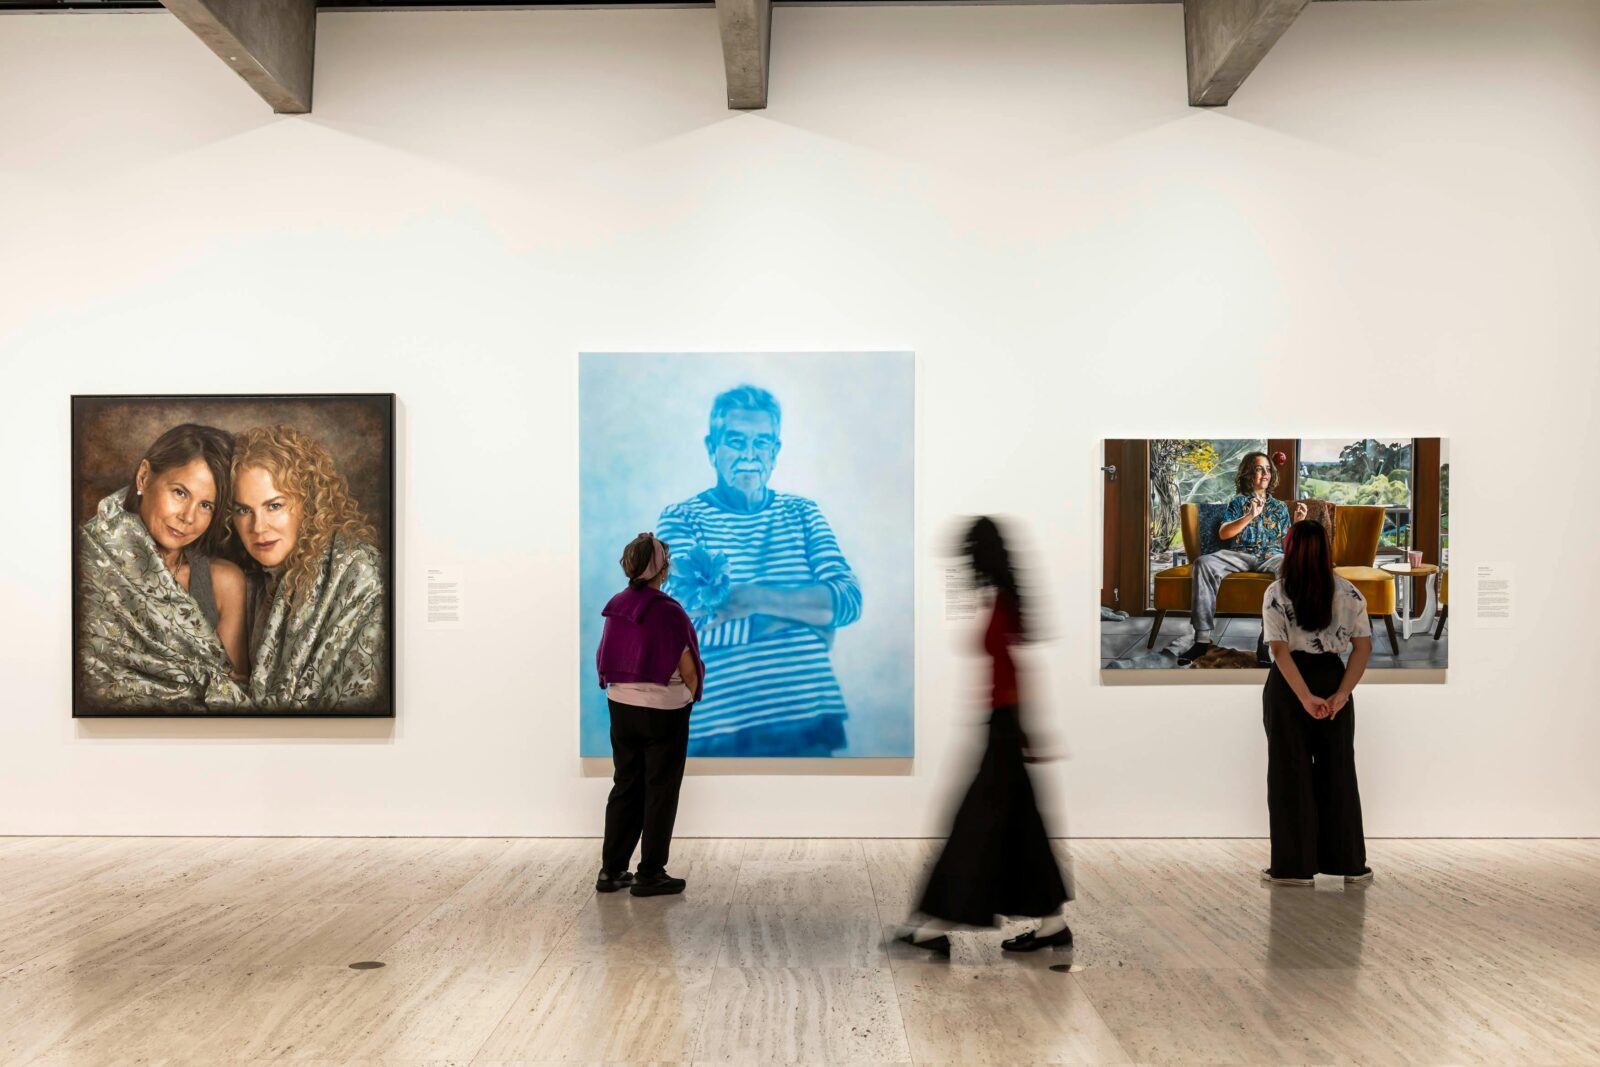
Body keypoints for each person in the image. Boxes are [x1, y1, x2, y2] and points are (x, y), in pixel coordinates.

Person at [656, 385, 862, 756]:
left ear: (775, 451)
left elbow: (847, 600)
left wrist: (751, 599)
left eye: (762, 443)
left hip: (810, 717)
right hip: (721, 725)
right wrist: (810, 618)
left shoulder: (803, 513)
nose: (750, 456)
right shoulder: (682, 519)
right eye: (736, 442)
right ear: (711, 448)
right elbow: (685, 627)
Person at [900, 517, 1072, 957]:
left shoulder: (1004, 602)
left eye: (967, 555)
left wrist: (1027, 728)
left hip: (1004, 728)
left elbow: (1017, 668)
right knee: (1022, 828)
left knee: (976, 829)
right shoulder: (1001, 598)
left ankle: (933, 926)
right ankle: (1052, 924)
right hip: (1002, 725)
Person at [77, 424, 250, 711]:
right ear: (144, 477)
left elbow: (232, 697)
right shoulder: (87, 559)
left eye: (206, 505)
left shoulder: (225, 582)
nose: (188, 517)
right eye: (180, 492)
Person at [230, 425, 386, 712]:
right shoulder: (253, 581)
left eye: (274, 506)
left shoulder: (356, 570)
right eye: (243, 510)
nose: (258, 528)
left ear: (309, 502)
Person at [1259, 519, 1373, 886]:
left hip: (1290, 686)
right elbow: (1363, 647)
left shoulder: (1277, 592)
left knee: (1288, 772)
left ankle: (1293, 869)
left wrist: (1304, 696)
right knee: (1338, 770)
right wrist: (1341, 693)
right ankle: (1350, 865)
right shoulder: (1349, 592)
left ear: (1289, 549)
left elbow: (1278, 651)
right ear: (1327, 550)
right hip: (1332, 676)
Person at [595, 533, 704, 897]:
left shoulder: (616, 605)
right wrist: (689, 695)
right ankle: (650, 873)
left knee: (626, 784)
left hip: (621, 706)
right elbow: (687, 666)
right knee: (660, 789)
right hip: (663, 712)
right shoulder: (669, 610)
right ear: (662, 569)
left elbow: (606, 657)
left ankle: (611, 872)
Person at [1180, 451, 1309, 666]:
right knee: (1203, 563)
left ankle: (1266, 640)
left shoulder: (1279, 508)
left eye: (1268, 469)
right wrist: (1249, 515)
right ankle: (1201, 640)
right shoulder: (1238, 502)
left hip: (1272, 555)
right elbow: (1224, 534)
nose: (1265, 473)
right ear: (1249, 473)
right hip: (1240, 554)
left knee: (1291, 565)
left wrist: (1298, 523)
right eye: (1259, 468)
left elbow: (1288, 544)